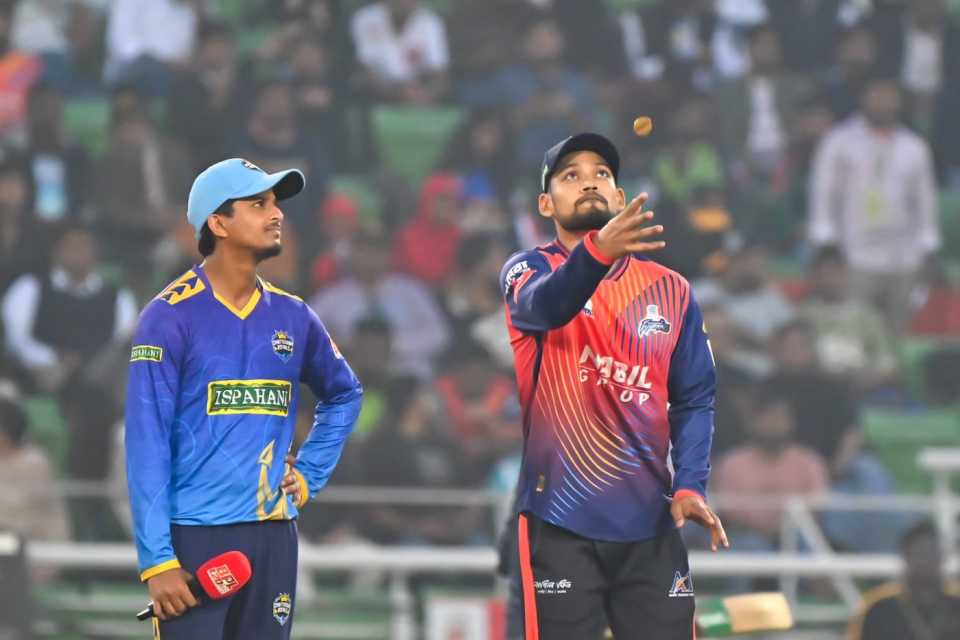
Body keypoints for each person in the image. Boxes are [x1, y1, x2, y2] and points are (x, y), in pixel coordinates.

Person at [499, 132, 728, 639]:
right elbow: (547, 306)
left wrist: (690, 483)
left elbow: (695, 398)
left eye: (601, 173)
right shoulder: (528, 269)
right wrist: (599, 251)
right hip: (558, 521)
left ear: (620, 197)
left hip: (650, 525)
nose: (588, 182)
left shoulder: (672, 289)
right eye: (570, 175)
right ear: (546, 203)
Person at [125, 158, 363, 639]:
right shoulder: (168, 317)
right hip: (194, 539)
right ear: (218, 222)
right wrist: (158, 562)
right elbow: (146, 444)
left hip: (274, 535)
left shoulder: (294, 316)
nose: (276, 215)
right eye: (258, 204)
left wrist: (310, 472)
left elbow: (345, 394)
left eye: (276, 204)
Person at [808, 74, 939, 332]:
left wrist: (928, 244)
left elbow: (925, 201)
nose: (882, 102)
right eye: (876, 95)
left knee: (898, 332)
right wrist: (825, 240)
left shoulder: (914, 147)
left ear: (899, 101)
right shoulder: (838, 141)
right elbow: (823, 193)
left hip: (904, 257)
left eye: (889, 96)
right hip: (854, 254)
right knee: (855, 330)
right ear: (863, 97)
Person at [849, 520, 960, 640]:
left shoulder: (956, 604)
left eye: (933, 552)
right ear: (905, 555)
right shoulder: (878, 609)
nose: (927, 560)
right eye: (921, 553)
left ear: (942, 557)